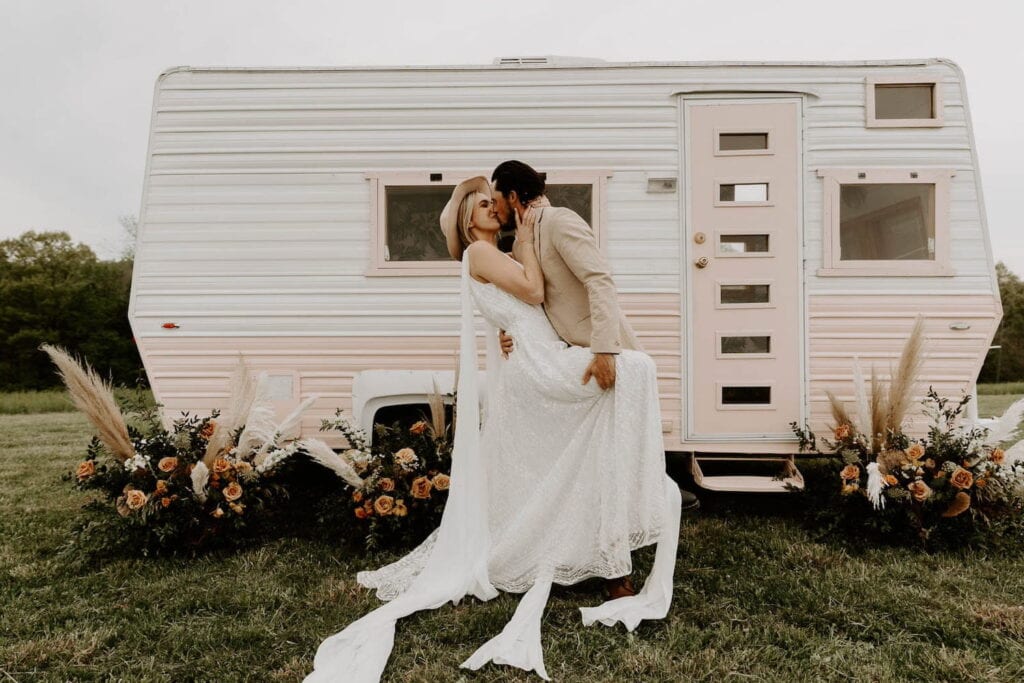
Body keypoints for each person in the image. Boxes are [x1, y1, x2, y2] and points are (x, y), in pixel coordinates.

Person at [305, 176, 682, 683]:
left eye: (494, 201)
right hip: (539, 365)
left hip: (540, 354)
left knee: (610, 405)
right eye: (483, 205)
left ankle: (607, 538)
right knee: (637, 371)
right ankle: (621, 533)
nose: (494, 210)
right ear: (467, 219)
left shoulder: (493, 255)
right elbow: (533, 289)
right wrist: (526, 239)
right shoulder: (480, 255)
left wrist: (511, 320)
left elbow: (524, 305)